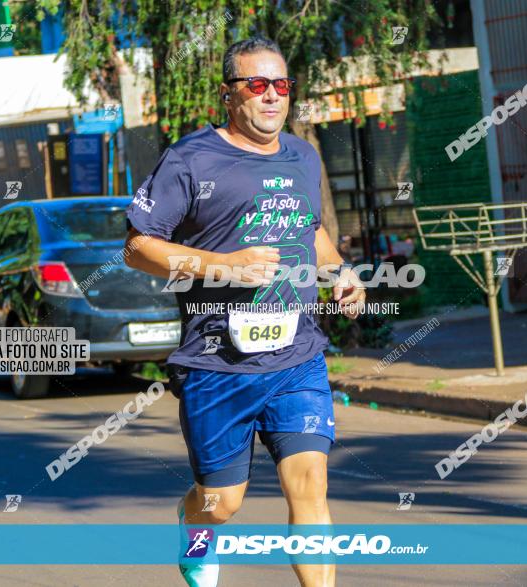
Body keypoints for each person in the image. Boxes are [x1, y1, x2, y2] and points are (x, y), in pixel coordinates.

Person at [124, 36, 365, 587]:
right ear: (228, 96)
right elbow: (137, 246)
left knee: (310, 487)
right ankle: (194, 530)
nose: (272, 96)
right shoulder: (190, 159)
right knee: (221, 502)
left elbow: (311, 231)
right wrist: (222, 266)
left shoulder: (303, 156)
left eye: (281, 85)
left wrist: (338, 272)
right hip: (218, 362)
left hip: (297, 356)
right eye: (257, 85)